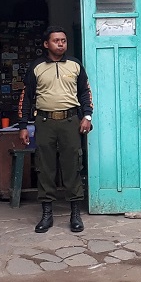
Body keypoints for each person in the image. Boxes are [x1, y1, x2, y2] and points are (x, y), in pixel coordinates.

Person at [17, 26, 93, 233]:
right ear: (46, 44)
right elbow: (26, 98)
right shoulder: (37, 67)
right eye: (56, 41)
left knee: (72, 166)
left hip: (70, 122)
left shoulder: (75, 65)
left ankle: (75, 214)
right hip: (44, 122)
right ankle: (47, 214)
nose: (61, 44)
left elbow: (85, 92)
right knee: (45, 167)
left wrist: (87, 116)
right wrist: (23, 125)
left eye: (64, 41)